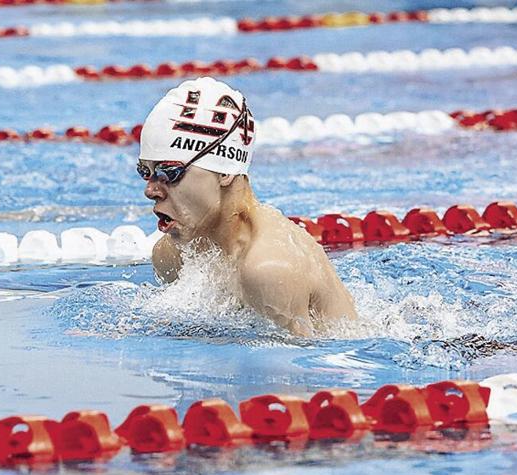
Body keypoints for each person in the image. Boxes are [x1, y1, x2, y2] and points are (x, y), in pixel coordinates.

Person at [138, 77, 357, 336]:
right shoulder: (172, 255)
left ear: (224, 172)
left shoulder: (268, 269)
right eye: (145, 171)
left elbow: (306, 370)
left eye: (169, 172)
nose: (150, 190)